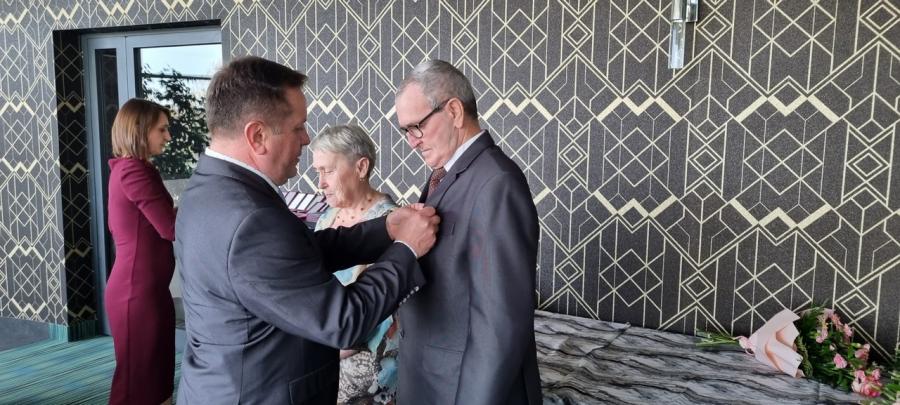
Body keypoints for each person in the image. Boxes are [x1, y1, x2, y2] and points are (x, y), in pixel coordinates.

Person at [174, 56, 439, 405]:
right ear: (257, 136)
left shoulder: (206, 187)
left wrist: (386, 228)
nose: (306, 138)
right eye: (298, 127)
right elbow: (342, 322)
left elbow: (296, 255)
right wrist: (406, 249)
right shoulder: (250, 218)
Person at [393, 59, 542, 404]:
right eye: (405, 131)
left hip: (460, 387)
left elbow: (499, 324)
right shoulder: (448, 173)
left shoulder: (497, 183)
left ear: (454, 111)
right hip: (430, 378)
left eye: (416, 127)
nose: (412, 142)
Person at [310, 124, 401, 404]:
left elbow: (378, 315)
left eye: (328, 171)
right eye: (317, 172)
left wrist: (318, 353)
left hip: (366, 361)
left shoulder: (391, 224)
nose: (320, 183)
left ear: (361, 167)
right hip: (326, 346)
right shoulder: (326, 218)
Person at [105, 98, 177, 405]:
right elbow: (170, 227)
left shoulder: (132, 169)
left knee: (155, 379)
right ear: (139, 130)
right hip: (136, 292)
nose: (168, 136)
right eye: (162, 129)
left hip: (148, 290)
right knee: (137, 385)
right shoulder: (133, 171)